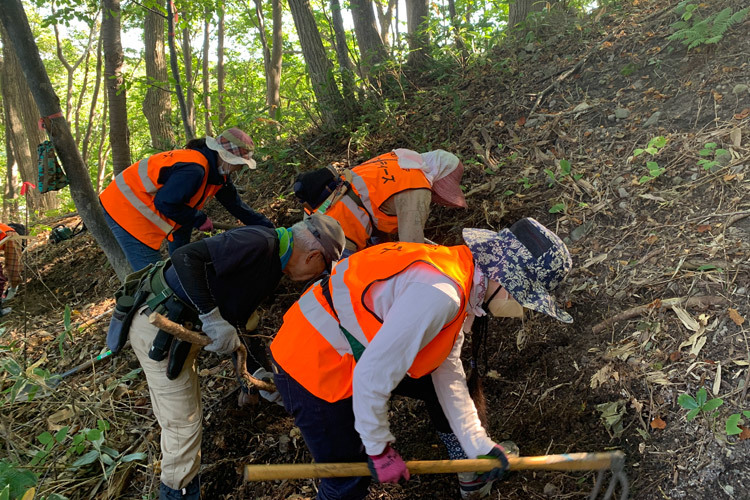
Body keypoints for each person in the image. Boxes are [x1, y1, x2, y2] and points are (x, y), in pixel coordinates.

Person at [270, 217, 574, 499]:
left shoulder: (460, 276)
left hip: (339, 345)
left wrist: (478, 445)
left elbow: (447, 370)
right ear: (509, 285)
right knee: (346, 480)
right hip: (308, 359)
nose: (519, 308)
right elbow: (371, 375)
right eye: (524, 299)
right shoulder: (441, 294)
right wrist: (378, 449)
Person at [126, 213, 345, 500]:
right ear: (313, 255)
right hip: (161, 327)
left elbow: (242, 321)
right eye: (322, 268)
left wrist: (256, 377)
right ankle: (175, 493)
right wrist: (211, 316)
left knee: (183, 422)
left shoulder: (273, 265)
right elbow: (186, 257)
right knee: (183, 424)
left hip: (187, 326)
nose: (317, 275)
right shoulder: (259, 242)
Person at [99, 127, 274, 271]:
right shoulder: (194, 169)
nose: (241, 168)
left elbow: (236, 206)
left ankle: (181, 269)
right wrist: (199, 218)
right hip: (125, 207)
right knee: (150, 276)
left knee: (184, 231)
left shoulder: (217, 174)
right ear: (227, 158)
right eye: (240, 163)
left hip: (153, 205)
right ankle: (147, 307)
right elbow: (165, 202)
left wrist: (270, 228)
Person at [293, 149, 467, 255]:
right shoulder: (416, 186)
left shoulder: (396, 161)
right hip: (337, 239)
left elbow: (371, 207)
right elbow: (412, 247)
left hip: (312, 226)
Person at [0, 223, 23, 316]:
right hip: (6, 234)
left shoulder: (12, 236)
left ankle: (13, 287)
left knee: (13, 266)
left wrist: (13, 286)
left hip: (8, 235)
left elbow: (13, 266)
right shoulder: (11, 235)